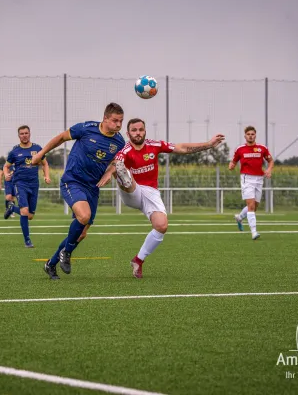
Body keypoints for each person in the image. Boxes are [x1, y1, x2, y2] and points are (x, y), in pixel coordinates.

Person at [98, 118, 225, 278]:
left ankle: (138, 260)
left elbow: (182, 148)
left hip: (151, 192)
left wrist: (209, 144)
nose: (138, 133)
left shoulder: (155, 145)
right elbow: (116, 161)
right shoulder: (125, 150)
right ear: (128, 133)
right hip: (132, 191)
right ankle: (124, 177)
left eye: (140, 130)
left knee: (162, 226)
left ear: (145, 131)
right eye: (134, 130)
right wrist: (110, 172)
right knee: (121, 168)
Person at [32, 102, 126, 280]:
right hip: (73, 181)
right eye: (115, 121)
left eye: (121, 121)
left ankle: (50, 264)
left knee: (81, 233)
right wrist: (41, 154)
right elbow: (60, 138)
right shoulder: (86, 128)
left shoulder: (119, 141)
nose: (119, 125)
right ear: (105, 118)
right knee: (83, 216)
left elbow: (117, 161)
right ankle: (67, 252)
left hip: (93, 187)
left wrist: (109, 172)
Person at [3, 125, 51, 248]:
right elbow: (6, 166)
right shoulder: (15, 151)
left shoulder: (37, 148)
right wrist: (6, 174)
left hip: (34, 184)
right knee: (24, 211)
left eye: (26, 133)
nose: (24, 135)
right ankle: (27, 241)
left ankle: (12, 209)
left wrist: (46, 176)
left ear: (30, 134)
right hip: (20, 183)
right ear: (18, 136)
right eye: (21, 134)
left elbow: (45, 164)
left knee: (30, 216)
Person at [229, 126, 273, 240]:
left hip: (259, 179)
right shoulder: (240, 149)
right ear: (245, 136)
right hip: (246, 179)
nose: (250, 136)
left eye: (252, 134)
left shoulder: (262, 148)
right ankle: (254, 232)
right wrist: (232, 165)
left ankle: (240, 217)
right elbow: (233, 161)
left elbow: (270, 160)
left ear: (255, 135)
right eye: (248, 134)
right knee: (251, 205)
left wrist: (268, 169)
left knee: (255, 206)